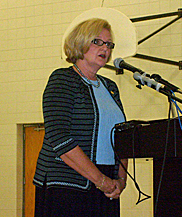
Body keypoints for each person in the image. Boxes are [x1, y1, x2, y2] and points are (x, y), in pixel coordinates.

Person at [33, 18, 128, 217]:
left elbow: (123, 137)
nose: (105, 48)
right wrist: (100, 180)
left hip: (107, 186)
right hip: (67, 185)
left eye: (109, 44)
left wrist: (120, 180)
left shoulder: (111, 87)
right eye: (97, 41)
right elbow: (59, 137)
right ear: (80, 42)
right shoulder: (63, 79)